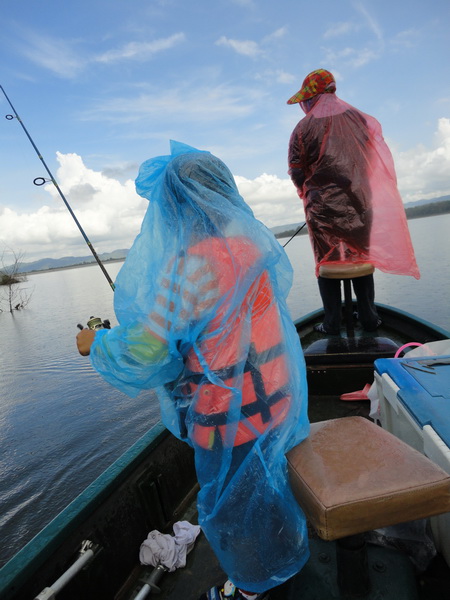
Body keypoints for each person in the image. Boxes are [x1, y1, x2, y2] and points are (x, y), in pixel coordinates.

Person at [76, 141, 310, 600]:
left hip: (229, 423)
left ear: (176, 209)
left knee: (233, 512)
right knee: (268, 492)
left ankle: (248, 590)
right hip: (274, 406)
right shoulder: (249, 249)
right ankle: (286, 562)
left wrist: (97, 343)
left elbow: (148, 350)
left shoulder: (187, 270)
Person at [287, 69, 419, 335]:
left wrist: (309, 194)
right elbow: (370, 159)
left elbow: (296, 170)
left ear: (310, 97)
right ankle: (370, 318)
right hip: (361, 205)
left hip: (322, 211)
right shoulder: (358, 119)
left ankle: (332, 323)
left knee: (327, 264)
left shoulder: (303, 128)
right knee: (361, 257)